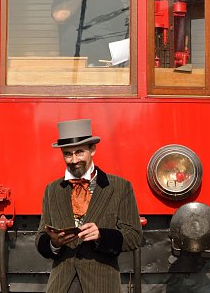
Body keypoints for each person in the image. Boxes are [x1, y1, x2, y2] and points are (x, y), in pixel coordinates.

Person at [36, 119, 142, 293]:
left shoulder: (120, 187)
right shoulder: (52, 189)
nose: (74, 159)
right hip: (61, 284)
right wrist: (54, 243)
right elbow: (40, 236)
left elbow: (135, 236)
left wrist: (101, 235)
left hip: (103, 284)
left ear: (92, 149)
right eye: (68, 154)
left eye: (79, 152)